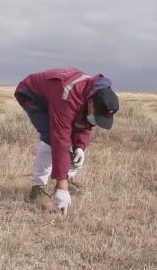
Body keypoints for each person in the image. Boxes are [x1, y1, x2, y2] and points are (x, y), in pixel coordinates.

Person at [14, 68, 119, 214]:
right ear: (90, 104)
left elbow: (84, 123)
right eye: (97, 116)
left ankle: (68, 178)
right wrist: (61, 187)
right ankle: (38, 188)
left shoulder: (93, 93)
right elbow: (60, 139)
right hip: (31, 94)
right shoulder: (68, 95)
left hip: (57, 98)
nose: (96, 121)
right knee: (50, 137)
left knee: (71, 145)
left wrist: (80, 147)